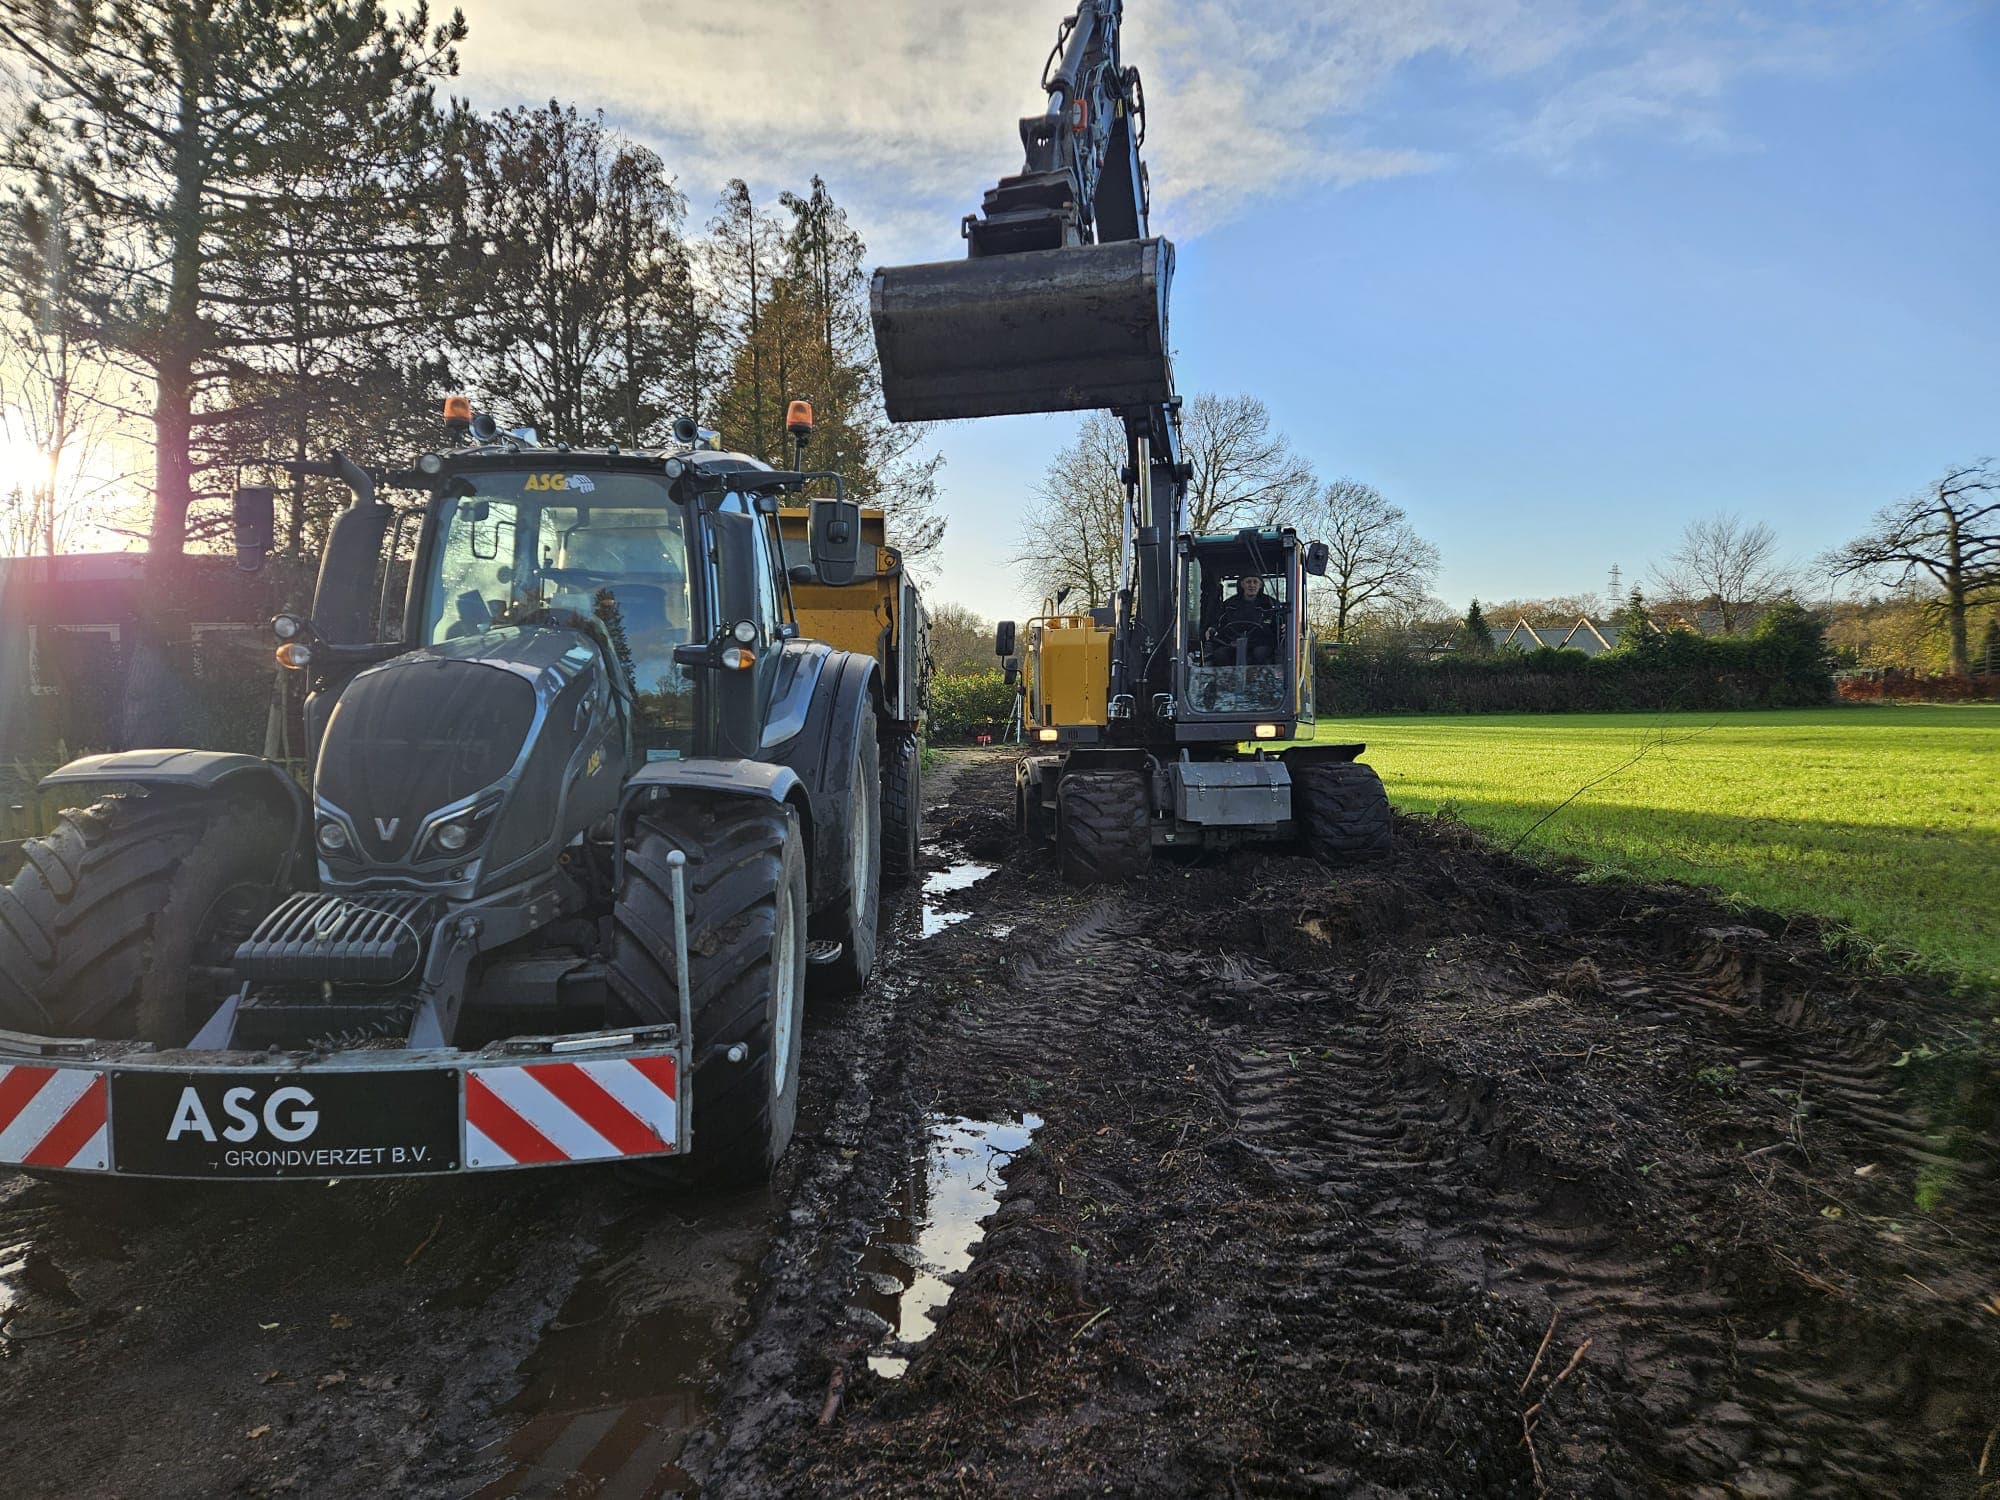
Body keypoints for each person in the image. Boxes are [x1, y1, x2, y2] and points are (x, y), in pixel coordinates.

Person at [1205, 573, 1278, 665]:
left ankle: (1261, 678)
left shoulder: (1270, 604)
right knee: (1220, 654)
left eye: (1255, 582)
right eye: (1248, 582)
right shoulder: (1229, 604)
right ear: (1242, 584)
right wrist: (1212, 628)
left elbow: (1280, 622)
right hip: (1233, 642)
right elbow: (1218, 621)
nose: (1252, 585)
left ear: (1260, 585)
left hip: (1261, 642)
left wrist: (1284, 626)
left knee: (1260, 654)